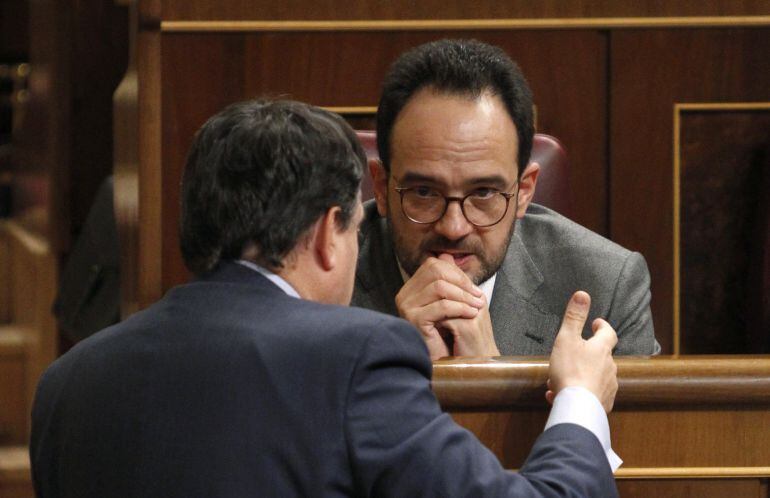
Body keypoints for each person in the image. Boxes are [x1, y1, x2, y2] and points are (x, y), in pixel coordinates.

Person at [31, 99, 620, 497]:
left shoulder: (67, 383)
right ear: (325, 234)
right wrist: (580, 402)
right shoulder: (354, 355)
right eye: (351, 229)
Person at [352, 38, 660, 359]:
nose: (453, 228)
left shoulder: (606, 286)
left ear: (524, 191)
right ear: (382, 187)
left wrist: (490, 375)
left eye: (483, 193)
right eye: (425, 192)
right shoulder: (317, 284)